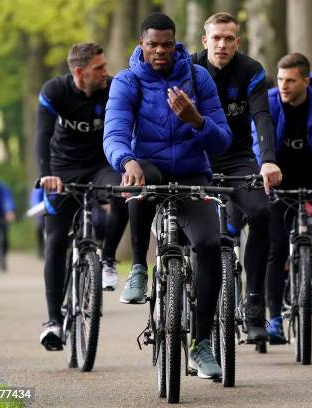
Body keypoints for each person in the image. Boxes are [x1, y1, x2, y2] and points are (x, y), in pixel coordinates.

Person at [103, 13, 232, 379]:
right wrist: (127, 159)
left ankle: (201, 344)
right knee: (139, 182)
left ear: (176, 44)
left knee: (208, 245)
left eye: (166, 45)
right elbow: (113, 131)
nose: (160, 51)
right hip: (150, 166)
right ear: (141, 44)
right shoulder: (128, 81)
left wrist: (197, 121)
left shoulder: (197, 77)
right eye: (152, 44)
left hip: (194, 172)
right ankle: (140, 269)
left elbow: (222, 138)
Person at [192, 12, 282, 343]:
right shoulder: (189, 68)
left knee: (261, 213)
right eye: (216, 37)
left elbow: (262, 117)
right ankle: (184, 292)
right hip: (195, 159)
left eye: (229, 38)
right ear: (205, 41)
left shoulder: (251, 70)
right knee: (195, 234)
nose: (222, 44)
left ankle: (255, 304)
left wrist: (268, 161)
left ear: (237, 42)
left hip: (237, 159)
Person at [35, 42, 129, 350]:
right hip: (62, 168)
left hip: (102, 163)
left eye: (105, 66)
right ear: (79, 72)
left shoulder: (114, 89)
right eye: (99, 68)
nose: (106, 72)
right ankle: (53, 322)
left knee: (123, 190)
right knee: (56, 239)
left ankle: (108, 260)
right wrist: (46, 174)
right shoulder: (55, 91)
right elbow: (42, 135)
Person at [253, 53, 312, 343]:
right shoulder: (269, 102)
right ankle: (275, 318)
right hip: (280, 180)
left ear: (305, 81)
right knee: (276, 247)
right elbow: (260, 142)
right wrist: (263, 173)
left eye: (291, 81)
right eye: (280, 80)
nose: (283, 86)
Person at [28, 187, 45, 258]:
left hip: (52, 210)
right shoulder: (38, 187)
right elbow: (35, 200)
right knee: (39, 228)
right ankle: (40, 249)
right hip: (40, 213)